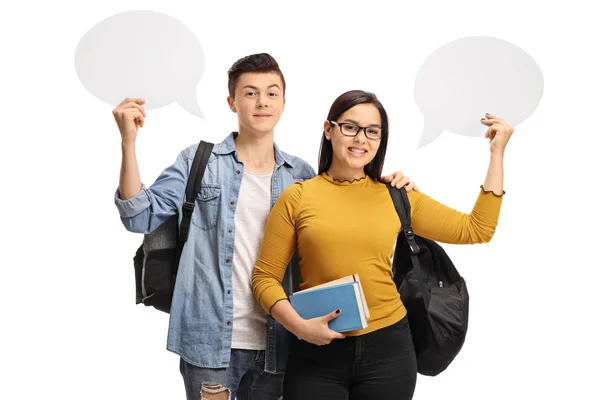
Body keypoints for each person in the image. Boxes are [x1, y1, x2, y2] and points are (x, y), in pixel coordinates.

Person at [113, 55, 416, 400]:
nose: (262, 102)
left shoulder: (301, 176)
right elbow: (138, 216)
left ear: (284, 104)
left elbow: (341, 224)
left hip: (282, 342)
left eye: (272, 94)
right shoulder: (199, 162)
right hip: (210, 344)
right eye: (250, 93)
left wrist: (391, 188)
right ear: (232, 102)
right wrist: (128, 143)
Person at [252, 89, 514, 400]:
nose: (360, 139)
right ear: (328, 129)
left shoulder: (397, 195)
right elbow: (264, 279)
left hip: (389, 351)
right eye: (350, 127)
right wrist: (299, 327)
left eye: (372, 131)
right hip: (315, 353)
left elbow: (477, 229)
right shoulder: (297, 197)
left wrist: (496, 154)